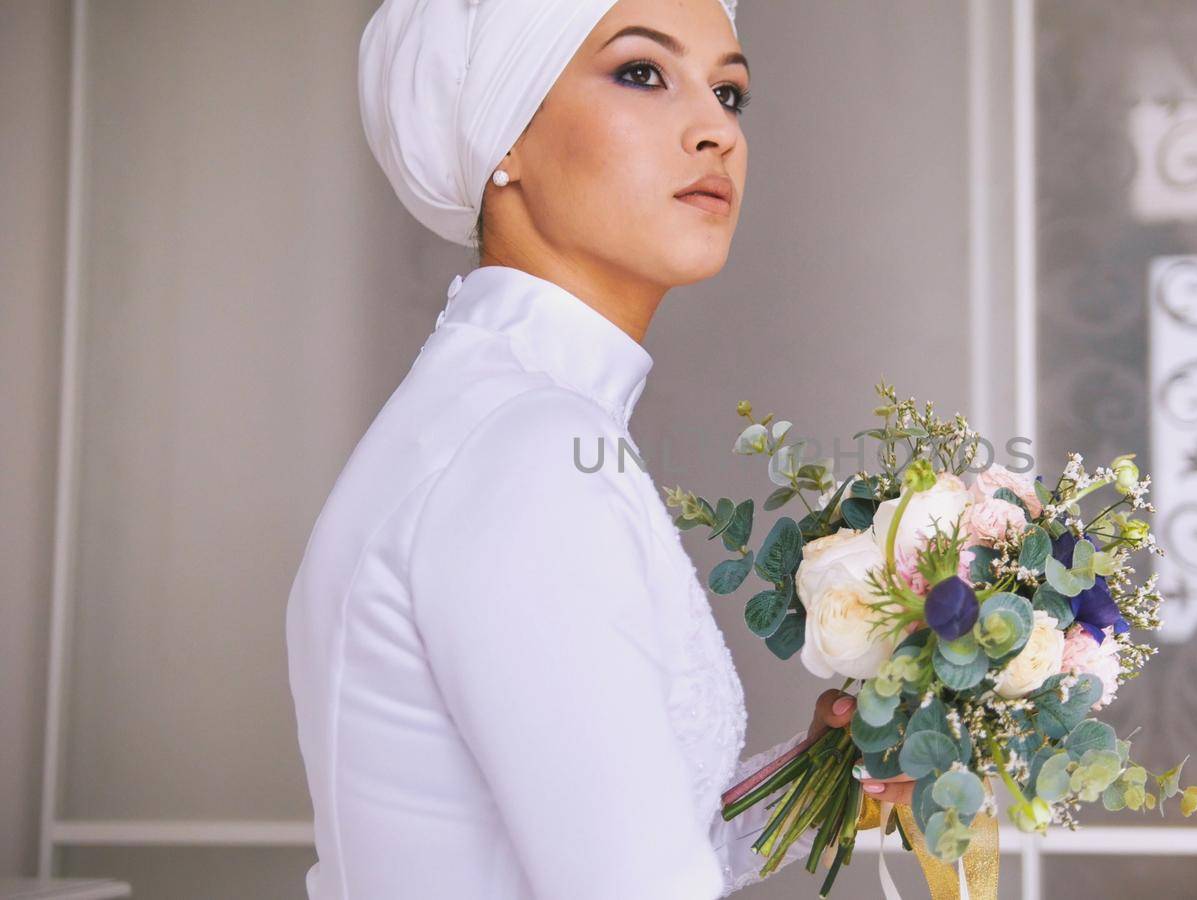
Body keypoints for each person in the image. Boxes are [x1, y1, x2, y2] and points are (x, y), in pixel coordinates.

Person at [285, 0, 908, 897]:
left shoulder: (493, 413)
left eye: (729, 92)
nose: (715, 132)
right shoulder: (529, 449)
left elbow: (622, 845)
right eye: (643, 73)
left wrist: (824, 775)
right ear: (505, 134)